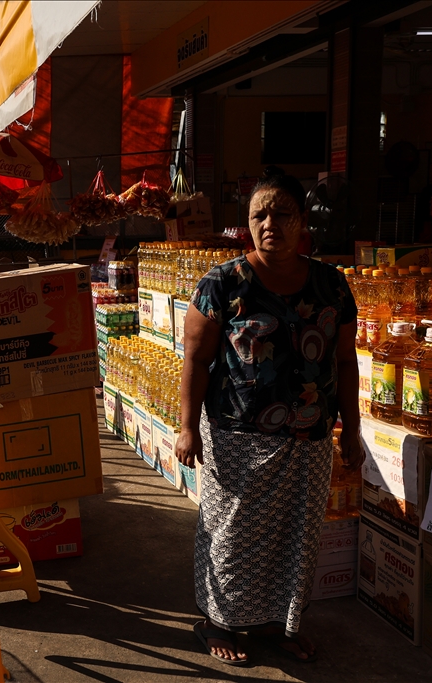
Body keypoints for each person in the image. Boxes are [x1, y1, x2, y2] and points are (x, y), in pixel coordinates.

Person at [175, 171, 365, 666]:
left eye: (282, 213)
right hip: (239, 436)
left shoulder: (331, 285)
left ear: (302, 221)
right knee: (233, 533)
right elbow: (195, 358)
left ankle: (276, 624)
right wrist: (186, 426)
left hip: (311, 436)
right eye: (259, 214)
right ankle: (217, 622)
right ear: (248, 223)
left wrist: (354, 430)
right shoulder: (224, 283)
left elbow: (345, 361)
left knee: (294, 537)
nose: (269, 223)